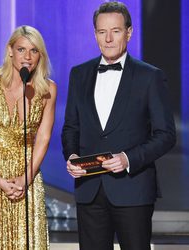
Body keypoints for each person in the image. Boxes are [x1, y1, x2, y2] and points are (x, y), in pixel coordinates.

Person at [61, 2, 176, 250]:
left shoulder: (149, 76)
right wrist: (72, 155)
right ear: (95, 34)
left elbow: (166, 135)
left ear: (129, 32)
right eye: (102, 32)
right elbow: (71, 127)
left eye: (115, 31)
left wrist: (127, 158)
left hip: (132, 189)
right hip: (89, 191)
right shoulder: (78, 74)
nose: (109, 39)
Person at [0, 25, 57, 250]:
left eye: (34, 51)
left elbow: (43, 138)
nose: (27, 57)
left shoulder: (47, 90)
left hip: (27, 176)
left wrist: (26, 178)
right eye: (21, 49)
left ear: (40, 56)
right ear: (10, 51)